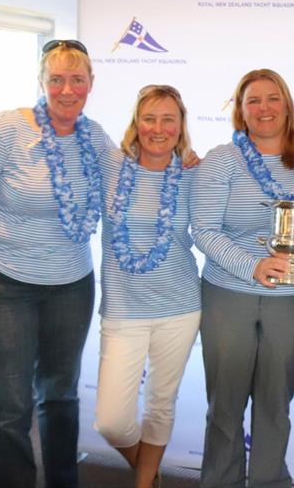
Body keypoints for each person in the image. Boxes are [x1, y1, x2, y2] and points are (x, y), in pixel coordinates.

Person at [0, 40, 110, 488]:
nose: (67, 89)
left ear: (91, 85)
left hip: (71, 284)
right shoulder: (4, 131)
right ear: (42, 83)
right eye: (56, 79)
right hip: (1, 284)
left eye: (77, 79)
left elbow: (132, 179)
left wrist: (184, 161)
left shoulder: (94, 137)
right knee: (7, 405)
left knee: (60, 396)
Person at [191, 69, 294, 488]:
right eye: (253, 101)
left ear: (287, 105)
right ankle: (220, 481)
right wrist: (253, 265)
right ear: (241, 111)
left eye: (272, 98)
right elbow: (204, 229)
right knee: (226, 404)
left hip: (290, 296)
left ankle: (269, 481)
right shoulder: (222, 160)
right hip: (229, 293)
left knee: (275, 403)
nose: (264, 108)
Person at [93, 85, 200, 488]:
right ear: (136, 124)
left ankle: (144, 484)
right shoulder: (110, 166)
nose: (158, 128)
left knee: (160, 403)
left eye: (168, 119)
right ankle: (147, 470)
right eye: (149, 118)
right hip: (123, 310)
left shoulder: (193, 173)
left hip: (180, 306)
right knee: (112, 421)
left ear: (180, 125)